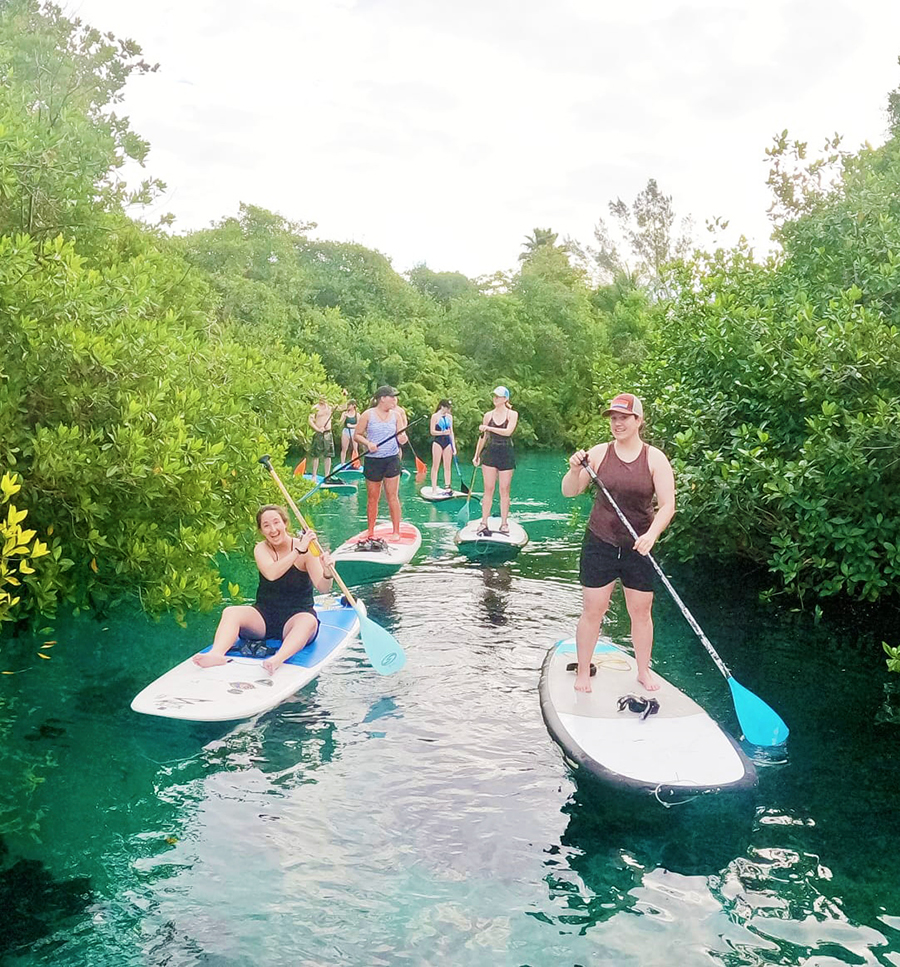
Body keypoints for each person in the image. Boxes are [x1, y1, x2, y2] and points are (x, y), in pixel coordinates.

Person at [561, 392, 675, 694]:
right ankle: (583, 671)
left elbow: (668, 505)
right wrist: (574, 470)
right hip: (601, 541)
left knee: (641, 611)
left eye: (624, 417)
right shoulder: (598, 454)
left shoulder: (654, 458)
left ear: (639, 420)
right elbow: (570, 492)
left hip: (640, 545)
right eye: (613, 418)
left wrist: (652, 535)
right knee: (593, 610)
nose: (617, 423)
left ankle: (643, 671)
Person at [192, 505, 336, 675]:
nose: (273, 529)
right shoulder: (261, 548)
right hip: (264, 616)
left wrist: (327, 573)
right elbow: (272, 573)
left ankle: (277, 659)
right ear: (261, 530)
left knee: (307, 622)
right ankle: (216, 654)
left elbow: (324, 588)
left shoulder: (306, 550)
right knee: (231, 611)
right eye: (266, 525)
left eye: (276, 523)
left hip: (296, 616)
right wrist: (298, 551)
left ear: (285, 524)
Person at [354, 385, 409, 542]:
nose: (394, 400)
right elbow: (357, 435)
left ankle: (396, 531)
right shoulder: (367, 415)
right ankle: (370, 530)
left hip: (391, 458)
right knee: (373, 498)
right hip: (373, 460)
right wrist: (368, 443)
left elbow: (401, 436)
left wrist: (402, 439)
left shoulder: (396, 416)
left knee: (392, 496)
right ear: (382, 398)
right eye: (392, 397)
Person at [473, 386, 518, 535]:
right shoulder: (488, 416)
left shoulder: (512, 414)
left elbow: (508, 432)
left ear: (505, 399)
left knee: (504, 489)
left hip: (506, 452)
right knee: (488, 489)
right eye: (494, 396)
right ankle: (483, 522)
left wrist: (488, 428)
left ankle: (504, 523)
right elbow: (483, 438)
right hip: (491, 452)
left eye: (498, 397)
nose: (495, 399)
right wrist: (476, 455)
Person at [429, 399, 457, 494]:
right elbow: (432, 432)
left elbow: (451, 432)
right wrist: (442, 432)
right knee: (435, 465)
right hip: (438, 442)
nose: (448, 410)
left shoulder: (449, 417)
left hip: (447, 442)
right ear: (442, 407)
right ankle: (433, 487)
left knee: (447, 466)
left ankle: (447, 486)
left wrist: (454, 446)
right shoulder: (435, 416)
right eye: (447, 408)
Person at [307, 395, 335, 479]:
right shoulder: (315, 408)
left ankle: (327, 475)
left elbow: (342, 406)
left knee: (328, 455)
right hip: (319, 432)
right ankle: (314, 476)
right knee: (316, 454)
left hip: (328, 433)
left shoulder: (330, 407)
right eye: (321, 397)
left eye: (324, 397)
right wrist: (317, 429)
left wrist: (344, 395)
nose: (322, 399)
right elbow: (310, 420)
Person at [340, 399, 360, 466]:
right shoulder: (344, 413)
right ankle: (342, 463)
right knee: (344, 448)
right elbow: (340, 424)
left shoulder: (357, 414)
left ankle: (356, 463)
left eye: (349, 405)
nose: (348, 406)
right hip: (346, 431)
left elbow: (359, 424)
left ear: (353, 405)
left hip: (354, 431)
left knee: (355, 448)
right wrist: (344, 418)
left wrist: (352, 426)